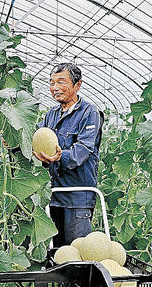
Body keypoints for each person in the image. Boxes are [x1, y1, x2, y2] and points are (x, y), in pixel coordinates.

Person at [33, 62, 104, 247]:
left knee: (76, 254)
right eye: (51, 83)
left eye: (61, 82)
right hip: (54, 196)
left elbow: (84, 149)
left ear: (77, 85)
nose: (55, 88)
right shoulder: (52, 114)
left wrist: (60, 157)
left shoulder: (89, 113)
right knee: (55, 253)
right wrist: (14, 144)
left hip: (77, 198)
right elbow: (36, 137)